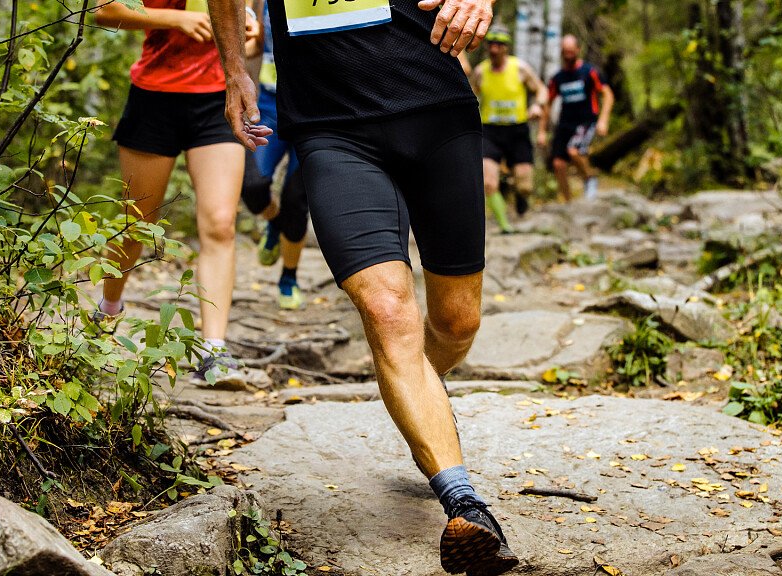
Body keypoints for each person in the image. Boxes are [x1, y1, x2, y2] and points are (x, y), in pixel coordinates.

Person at [208, 0, 520, 573]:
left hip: (435, 105)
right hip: (331, 128)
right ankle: (465, 503)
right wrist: (234, 72)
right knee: (386, 308)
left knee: (456, 323)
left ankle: (412, 388)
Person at [93, 0, 267, 384]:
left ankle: (214, 351)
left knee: (221, 223)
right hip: (154, 96)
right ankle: (106, 311)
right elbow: (104, 11)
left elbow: (251, 44)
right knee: (138, 223)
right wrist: (178, 19)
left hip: (218, 101)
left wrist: (250, 40)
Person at [240, 0, 309, 310]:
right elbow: (254, 45)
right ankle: (275, 222)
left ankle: (288, 279)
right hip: (269, 107)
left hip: (317, 113)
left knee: (297, 199)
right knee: (252, 186)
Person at [471, 27, 547, 233]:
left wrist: (537, 105)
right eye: (491, 44)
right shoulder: (480, 72)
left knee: (525, 185)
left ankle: (520, 194)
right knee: (488, 182)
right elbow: (469, 98)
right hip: (490, 132)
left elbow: (541, 89)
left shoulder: (520, 68)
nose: (494, 49)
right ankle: (505, 225)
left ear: (506, 47)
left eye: (499, 45)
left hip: (517, 132)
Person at [537, 34, 614, 202]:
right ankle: (568, 203)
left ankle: (589, 179)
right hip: (565, 123)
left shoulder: (589, 72)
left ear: (578, 50)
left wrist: (603, 120)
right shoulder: (558, 78)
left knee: (574, 151)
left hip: (586, 120)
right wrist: (542, 131)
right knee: (558, 164)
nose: (568, 55)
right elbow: (548, 104)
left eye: (571, 51)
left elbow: (607, 94)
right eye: (565, 52)